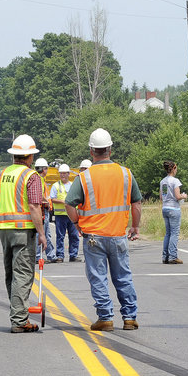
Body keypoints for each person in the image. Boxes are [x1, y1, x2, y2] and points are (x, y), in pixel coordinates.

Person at [65, 128, 142, 332]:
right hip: (118, 235)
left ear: (92, 151)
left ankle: (105, 318)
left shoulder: (84, 177)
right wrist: (135, 226)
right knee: (123, 276)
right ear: (110, 149)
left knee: (98, 278)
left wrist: (76, 224)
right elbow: (137, 204)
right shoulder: (126, 173)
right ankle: (129, 317)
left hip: (93, 238)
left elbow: (69, 204)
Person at [0, 134, 47, 333]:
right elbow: (34, 206)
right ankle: (20, 320)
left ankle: (17, 314)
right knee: (23, 274)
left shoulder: (3, 174)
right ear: (29, 157)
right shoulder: (31, 176)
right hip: (23, 231)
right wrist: (42, 234)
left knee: (11, 274)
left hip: (5, 231)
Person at [50, 163, 81, 262]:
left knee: (74, 236)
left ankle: (73, 255)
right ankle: (60, 255)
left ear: (68, 174)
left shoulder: (73, 185)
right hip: (60, 216)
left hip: (72, 215)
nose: (63, 175)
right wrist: (63, 202)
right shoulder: (56, 186)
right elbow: (52, 199)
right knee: (60, 236)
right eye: (61, 173)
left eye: (64, 173)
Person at [160, 160, 188, 264]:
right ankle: (173, 256)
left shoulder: (163, 181)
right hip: (174, 209)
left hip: (165, 208)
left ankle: (165, 256)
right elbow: (177, 196)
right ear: (174, 168)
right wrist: (184, 196)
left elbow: (161, 197)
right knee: (174, 233)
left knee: (168, 233)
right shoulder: (175, 181)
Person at [33, 157, 57, 263]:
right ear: (43, 169)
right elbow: (40, 195)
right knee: (41, 233)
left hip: (44, 210)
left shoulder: (39, 179)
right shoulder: (38, 179)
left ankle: (51, 255)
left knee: (46, 234)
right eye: (46, 168)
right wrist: (46, 202)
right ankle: (38, 256)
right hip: (42, 210)